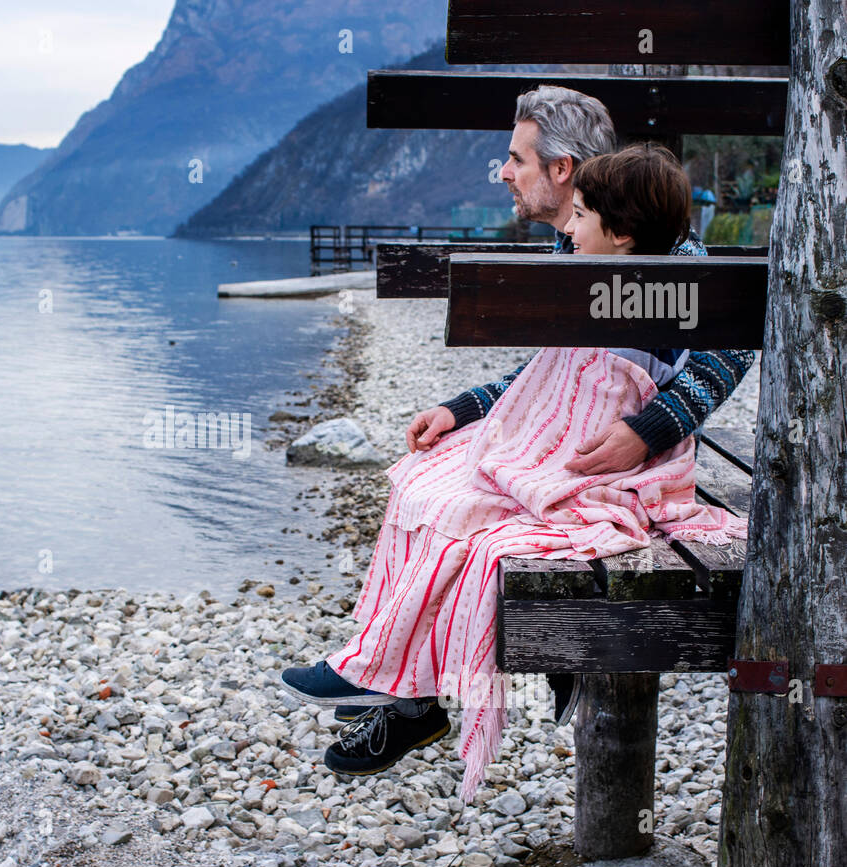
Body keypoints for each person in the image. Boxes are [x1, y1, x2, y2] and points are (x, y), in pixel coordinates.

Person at [280, 141, 749, 805]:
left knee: (469, 523)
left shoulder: (666, 281)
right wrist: (462, 408)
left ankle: (388, 676)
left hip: (594, 469)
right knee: (420, 479)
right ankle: (392, 673)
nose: (568, 229)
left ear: (617, 231)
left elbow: (663, 370)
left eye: (580, 216)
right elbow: (537, 381)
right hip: (551, 449)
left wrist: (648, 430)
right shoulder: (593, 273)